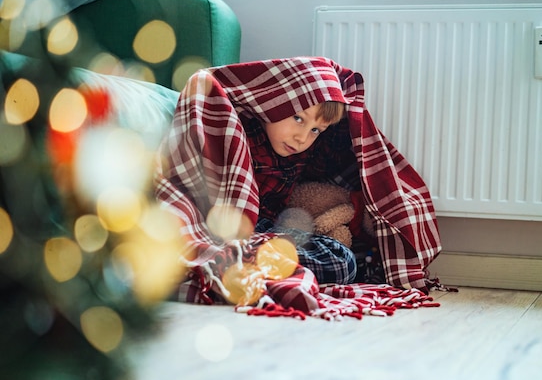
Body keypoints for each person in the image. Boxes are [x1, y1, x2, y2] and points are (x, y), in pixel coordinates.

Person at [154, 57, 442, 314]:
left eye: (315, 129)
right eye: (297, 118)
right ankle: (231, 262)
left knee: (351, 259)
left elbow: (351, 153)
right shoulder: (242, 127)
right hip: (235, 227)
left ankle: (248, 265)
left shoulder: (304, 151)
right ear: (272, 102)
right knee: (340, 260)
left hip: (270, 231)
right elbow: (211, 96)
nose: (303, 137)